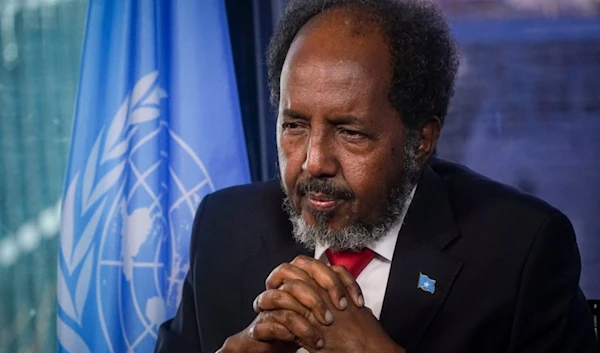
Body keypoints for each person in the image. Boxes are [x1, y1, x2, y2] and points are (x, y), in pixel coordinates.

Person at [155, 0, 598, 352]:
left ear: (420, 141)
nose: (313, 162)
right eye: (294, 126)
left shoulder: (521, 252)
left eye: (349, 132)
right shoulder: (225, 226)